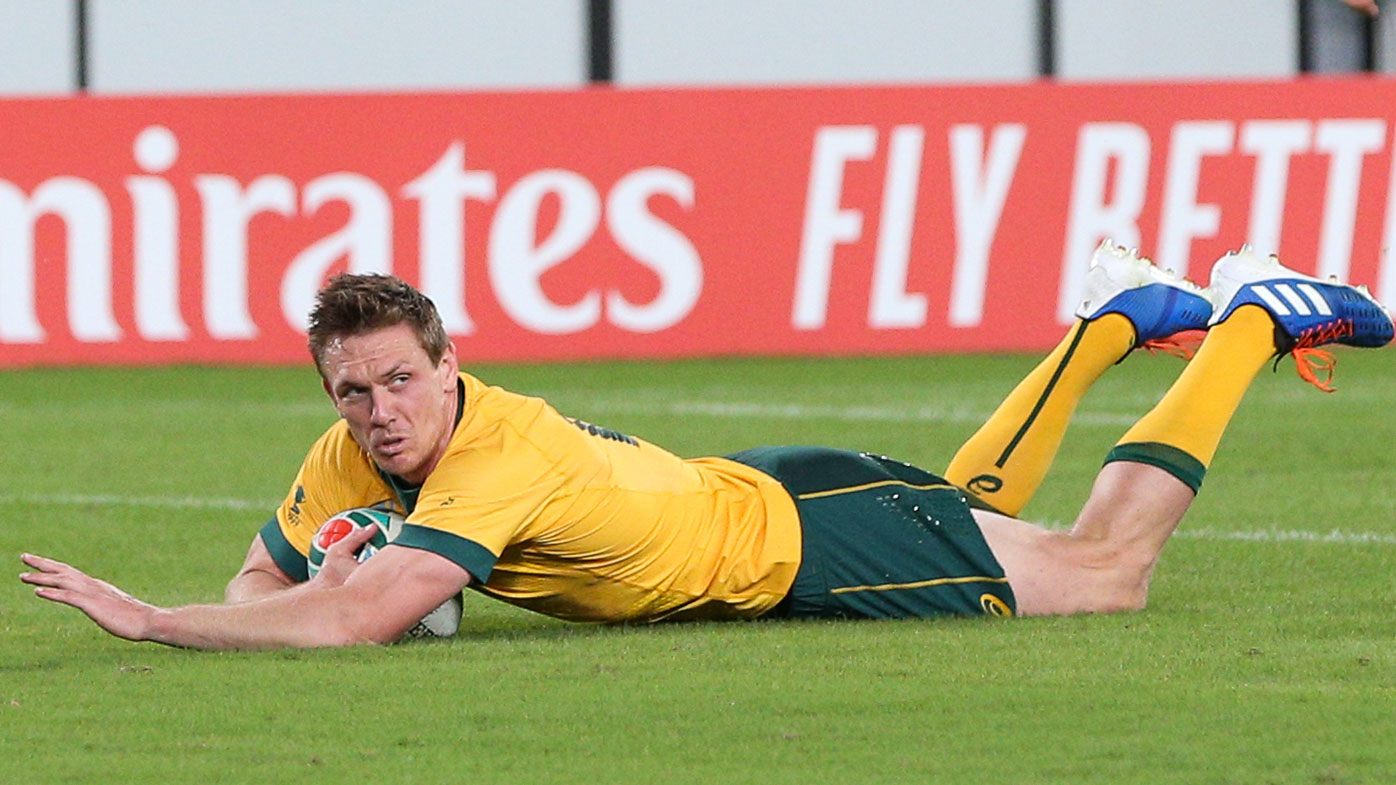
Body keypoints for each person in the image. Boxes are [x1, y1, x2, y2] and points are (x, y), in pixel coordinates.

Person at [20, 242, 1393, 649]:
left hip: (800, 546)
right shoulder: (353, 459)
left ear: (453, 366)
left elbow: (358, 615)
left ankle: (1243, 329)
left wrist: (147, 619)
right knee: (963, 504)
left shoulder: (494, 451)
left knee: (1105, 572)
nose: (379, 412)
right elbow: (285, 584)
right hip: (772, 492)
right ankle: (1108, 323)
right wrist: (313, 564)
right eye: (351, 392)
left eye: (399, 380)